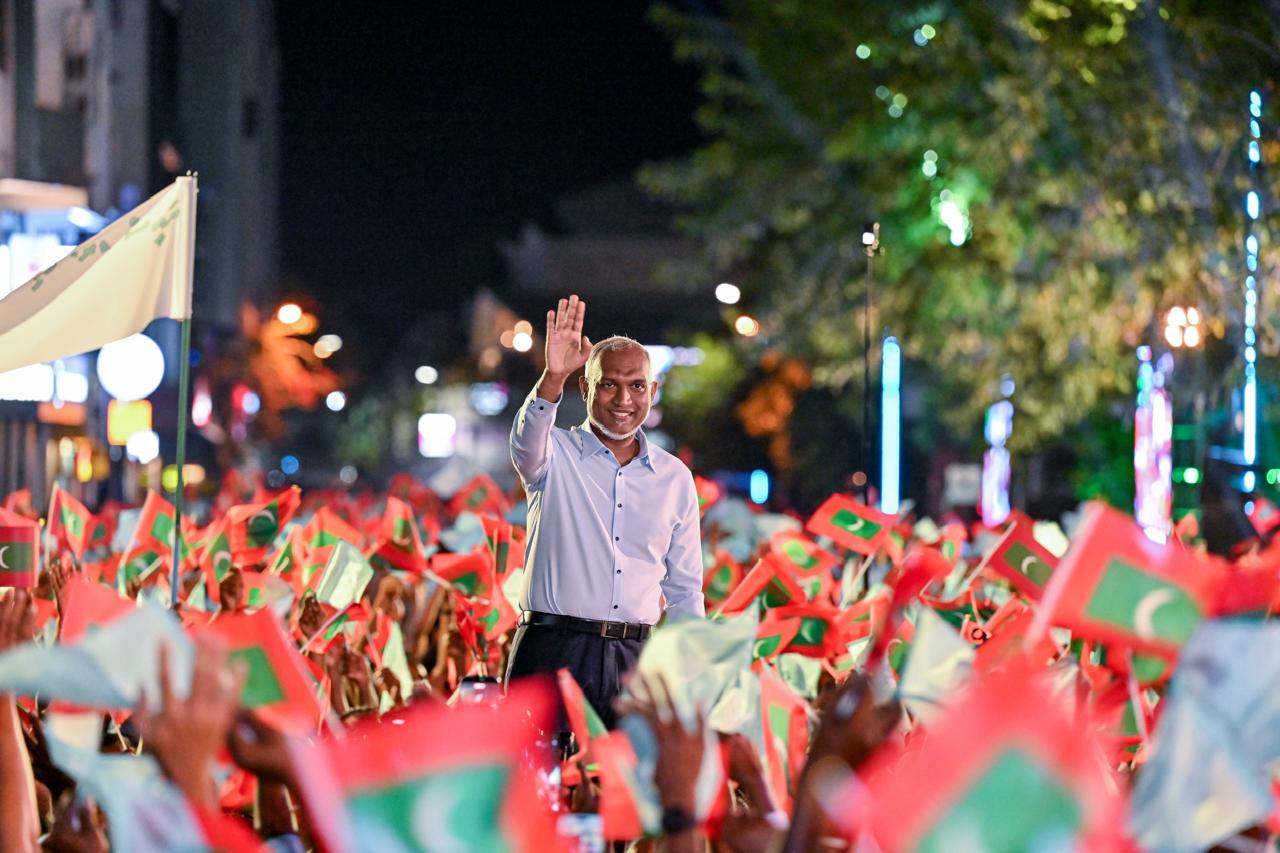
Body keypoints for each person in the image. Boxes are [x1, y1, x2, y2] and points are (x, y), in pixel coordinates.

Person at [506, 294, 704, 727]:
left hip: (637, 660)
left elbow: (686, 591)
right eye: (609, 384)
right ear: (586, 388)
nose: (623, 399)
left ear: (652, 392)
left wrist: (690, 676)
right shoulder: (552, 453)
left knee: (629, 772)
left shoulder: (675, 478)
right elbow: (525, 439)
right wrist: (553, 377)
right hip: (551, 651)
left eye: (637, 386)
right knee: (540, 769)